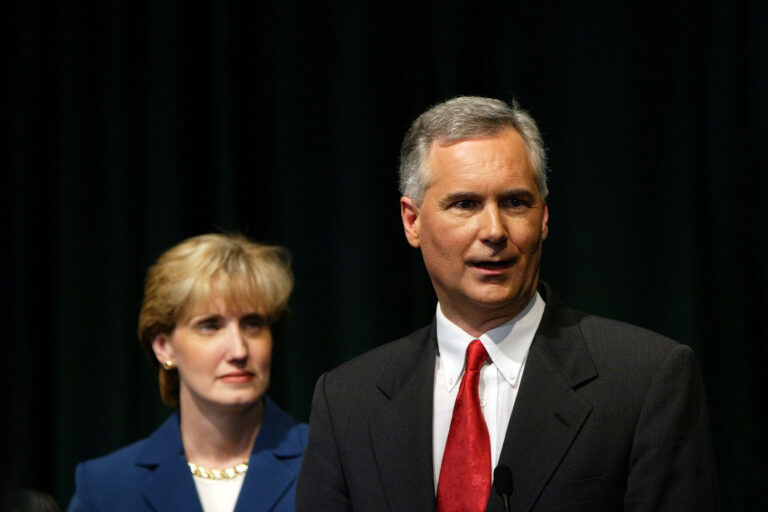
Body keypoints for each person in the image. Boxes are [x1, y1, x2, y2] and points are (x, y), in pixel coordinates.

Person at [296, 96, 719, 511]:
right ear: (413, 221)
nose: (495, 231)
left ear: (544, 217)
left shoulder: (645, 380)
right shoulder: (347, 400)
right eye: (466, 204)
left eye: (515, 203)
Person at [68, 234, 307, 512]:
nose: (239, 350)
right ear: (163, 347)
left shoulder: (330, 461)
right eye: (210, 326)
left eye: (253, 324)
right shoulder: (106, 486)